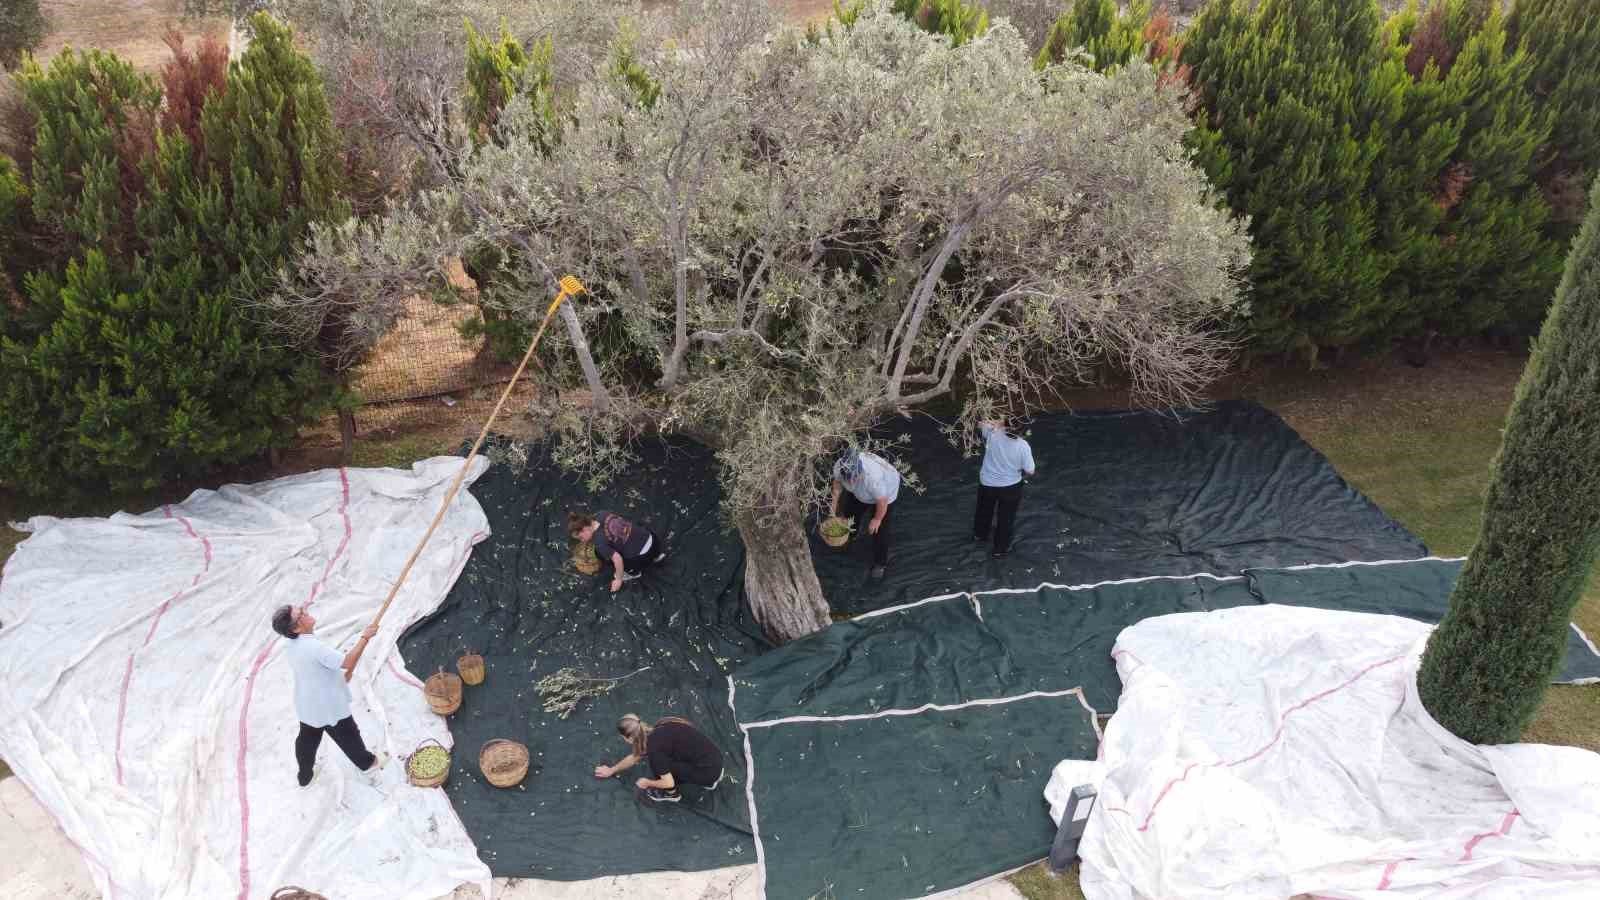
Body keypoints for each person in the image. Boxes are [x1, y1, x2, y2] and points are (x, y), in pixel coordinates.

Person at [271, 604, 389, 787]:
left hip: (307, 703)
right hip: (328, 706)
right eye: (301, 613)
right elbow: (347, 661)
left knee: (307, 740)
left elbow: (316, 668)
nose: (306, 612)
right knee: (349, 734)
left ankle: (305, 777)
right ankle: (368, 764)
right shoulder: (314, 647)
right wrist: (365, 637)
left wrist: (340, 677)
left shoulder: (291, 645)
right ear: (296, 627)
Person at [592, 713, 725, 803]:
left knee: (660, 772)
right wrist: (612, 770)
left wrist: (647, 782)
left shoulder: (655, 753)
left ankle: (672, 795)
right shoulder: (663, 725)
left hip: (709, 773)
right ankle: (710, 778)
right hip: (716, 759)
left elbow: (668, 783)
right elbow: (636, 756)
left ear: (628, 739)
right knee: (666, 762)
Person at [830, 449, 901, 579]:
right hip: (860, 493)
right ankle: (851, 535)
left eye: (854, 477)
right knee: (850, 514)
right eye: (848, 478)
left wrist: (877, 519)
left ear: (860, 470)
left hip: (886, 495)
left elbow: (882, 501)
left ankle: (880, 563)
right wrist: (833, 507)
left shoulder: (873, 478)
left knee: (880, 531)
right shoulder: (839, 467)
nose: (850, 481)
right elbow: (837, 485)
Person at [974, 418, 1036, 558]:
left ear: (1005, 425)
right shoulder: (1023, 446)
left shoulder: (993, 433)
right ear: (1022, 430)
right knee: (1005, 518)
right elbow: (1030, 470)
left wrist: (999, 422)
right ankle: (999, 550)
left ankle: (980, 535)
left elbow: (980, 423)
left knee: (984, 510)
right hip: (1010, 487)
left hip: (987, 483)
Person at [569, 510, 669, 593]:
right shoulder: (602, 514)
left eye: (581, 538)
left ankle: (634, 572)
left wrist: (618, 580)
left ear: (585, 529)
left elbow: (617, 559)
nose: (583, 540)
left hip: (642, 558)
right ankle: (657, 557)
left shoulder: (599, 542)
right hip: (654, 541)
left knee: (599, 554)